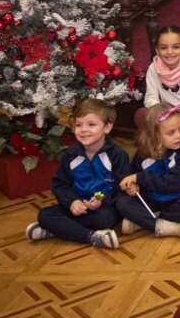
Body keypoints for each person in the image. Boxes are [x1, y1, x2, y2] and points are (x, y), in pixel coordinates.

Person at [26, 98, 130, 249]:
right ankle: (91, 237)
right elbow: (59, 184)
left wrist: (102, 201)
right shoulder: (70, 155)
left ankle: (58, 230)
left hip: (103, 208)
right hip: (76, 207)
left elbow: (122, 188)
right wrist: (72, 201)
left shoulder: (117, 155)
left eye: (91, 124)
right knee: (44, 214)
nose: (83, 130)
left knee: (104, 219)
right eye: (79, 125)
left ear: (107, 127)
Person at [116, 104, 180, 240]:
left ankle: (143, 222)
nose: (179, 135)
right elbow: (137, 179)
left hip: (178, 197)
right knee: (122, 202)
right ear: (154, 135)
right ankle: (167, 226)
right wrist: (134, 187)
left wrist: (139, 178)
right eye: (171, 133)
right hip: (152, 198)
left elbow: (173, 184)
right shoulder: (143, 155)